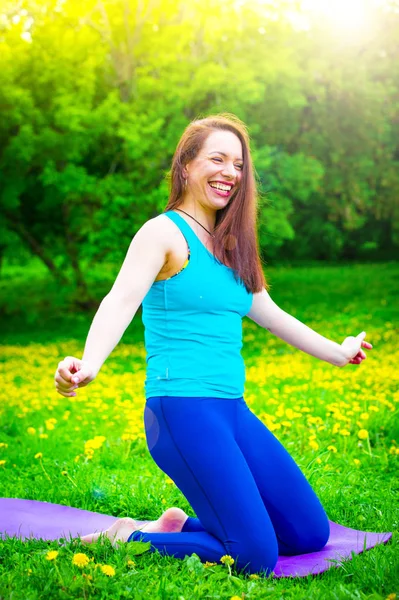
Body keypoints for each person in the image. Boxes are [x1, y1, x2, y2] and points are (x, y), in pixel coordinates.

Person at [54, 113, 372, 576]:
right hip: (182, 410)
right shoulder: (163, 233)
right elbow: (120, 300)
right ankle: (127, 535)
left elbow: (271, 314)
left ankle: (180, 526)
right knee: (254, 555)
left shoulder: (231, 243)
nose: (230, 173)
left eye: (238, 164)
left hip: (232, 410)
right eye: (217, 159)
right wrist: (90, 364)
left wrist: (338, 352)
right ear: (185, 166)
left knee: (308, 533)